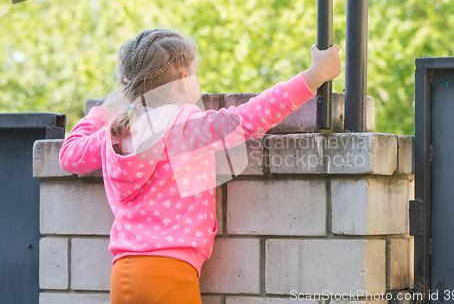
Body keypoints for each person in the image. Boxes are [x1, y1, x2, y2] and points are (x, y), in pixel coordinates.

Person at [59, 28, 341, 304]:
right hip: (171, 273)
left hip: (123, 274)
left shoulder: (116, 130)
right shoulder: (185, 125)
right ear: (183, 81)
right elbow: (251, 117)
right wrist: (314, 76)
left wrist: (101, 114)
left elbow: (69, 156)